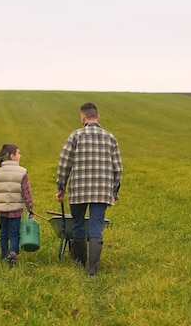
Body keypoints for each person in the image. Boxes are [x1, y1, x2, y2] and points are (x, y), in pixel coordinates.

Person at [55, 102, 122, 275]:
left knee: (77, 224)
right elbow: (118, 168)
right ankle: (92, 268)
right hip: (102, 191)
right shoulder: (110, 138)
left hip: (79, 190)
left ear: (82, 117)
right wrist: (114, 191)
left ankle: (80, 262)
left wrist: (61, 186)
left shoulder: (75, 136)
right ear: (98, 117)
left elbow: (64, 163)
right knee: (96, 226)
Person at [0, 144, 35, 267]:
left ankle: (3, 255)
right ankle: (13, 253)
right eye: (18, 153)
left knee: (3, 233)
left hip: (1, 210)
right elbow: (27, 192)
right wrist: (30, 208)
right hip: (15, 210)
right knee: (14, 234)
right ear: (12, 156)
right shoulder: (22, 172)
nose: (20, 155)